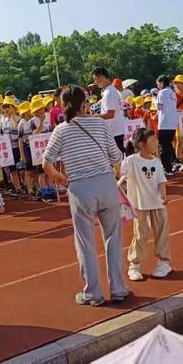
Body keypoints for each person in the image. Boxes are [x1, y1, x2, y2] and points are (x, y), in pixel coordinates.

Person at [43, 85, 128, 306]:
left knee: (85, 242)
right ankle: (118, 288)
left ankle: (93, 293)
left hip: (80, 188)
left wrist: (58, 177)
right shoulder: (100, 124)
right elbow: (116, 156)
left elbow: (47, 162)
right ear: (84, 103)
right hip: (106, 185)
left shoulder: (61, 130)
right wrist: (116, 175)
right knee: (114, 238)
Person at [122, 128, 172, 281]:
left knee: (161, 231)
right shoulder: (131, 161)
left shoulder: (156, 162)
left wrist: (163, 195)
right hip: (139, 204)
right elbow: (120, 174)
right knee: (140, 234)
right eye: (152, 140)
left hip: (157, 203)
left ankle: (164, 263)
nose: (156, 143)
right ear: (142, 144)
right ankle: (135, 265)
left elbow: (161, 181)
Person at [92, 67, 127, 153]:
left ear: (101, 77)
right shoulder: (110, 90)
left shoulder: (109, 92)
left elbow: (110, 114)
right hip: (115, 130)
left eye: (95, 79)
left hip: (113, 132)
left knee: (116, 160)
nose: (95, 82)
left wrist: (94, 117)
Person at [0, 96, 24, 198]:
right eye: (5, 106)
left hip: (18, 147)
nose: (6, 109)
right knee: (13, 170)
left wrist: (12, 116)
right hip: (8, 148)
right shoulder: (2, 119)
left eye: (9, 106)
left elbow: (17, 129)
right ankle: (17, 188)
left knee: (22, 169)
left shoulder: (19, 119)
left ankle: (25, 186)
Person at [155, 75, 178, 175]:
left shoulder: (161, 93)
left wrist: (154, 100)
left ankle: (167, 168)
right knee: (168, 144)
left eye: (158, 83)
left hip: (164, 123)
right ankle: (173, 162)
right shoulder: (173, 93)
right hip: (172, 123)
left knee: (163, 146)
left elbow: (159, 107)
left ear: (162, 82)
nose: (158, 86)